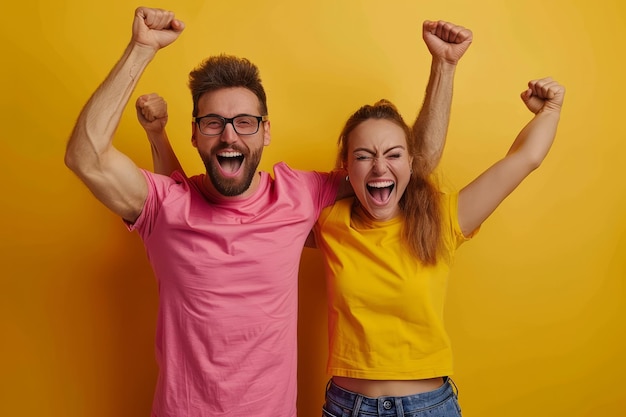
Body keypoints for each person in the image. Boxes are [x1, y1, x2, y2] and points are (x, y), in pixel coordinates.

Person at [65, 6, 471, 417]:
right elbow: (86, 156)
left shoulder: (300, 195)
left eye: (244, 122)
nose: (229, 135)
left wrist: (445, 66)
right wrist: (140, 48)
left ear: (266, 131)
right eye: (213, 122)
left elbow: (411, 167)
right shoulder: (162, 205)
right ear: (194, 133)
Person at [313, 78, 565, 416]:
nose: (379, 166)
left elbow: (525, 159)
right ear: (346, 167)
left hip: (427, 407)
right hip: (347, 407)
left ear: (412, 164)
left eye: (393, 154)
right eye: (364, 156)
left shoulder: (442, 219)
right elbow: (253, 213)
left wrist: (550, 110)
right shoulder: (329, 222)